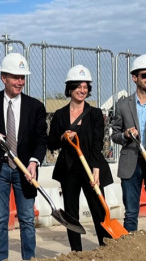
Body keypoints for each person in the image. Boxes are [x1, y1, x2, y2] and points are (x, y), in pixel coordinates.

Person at [0, 53, 47, 261]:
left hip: (24, 170)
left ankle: (29, 258)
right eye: (15, 77)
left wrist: (34, 162)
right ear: (3, 78)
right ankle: (2, 258)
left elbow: (41, 139)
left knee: (27, 219)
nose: (20, 82)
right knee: (0, 220)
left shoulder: (35, 107)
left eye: (23, 77)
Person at [48, 65, 113, 250]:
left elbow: (97, 144)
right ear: (70, 88)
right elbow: (51, 142)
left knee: (99, 211)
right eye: (78, 86)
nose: (82, 90)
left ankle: (105, 248)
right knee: (71, 213)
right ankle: (76, 252)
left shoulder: (94, 114)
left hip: (91, 168)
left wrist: (96, 169)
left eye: (85, 87)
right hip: (69, 170)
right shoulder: (60, 115)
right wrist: (62, 137)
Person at [110, 54, 146, 232]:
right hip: (130, 163)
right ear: (134, 77)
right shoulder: (123, 105)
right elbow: (114, 135)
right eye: (145, 75)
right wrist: (125, 135)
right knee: (131, 213)